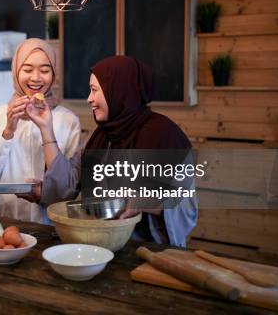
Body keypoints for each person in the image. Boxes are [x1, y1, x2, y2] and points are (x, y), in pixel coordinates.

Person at [23, 55, 198, 247]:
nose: (89, 99)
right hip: (99, 244)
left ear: (119, 90)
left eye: (95, 90)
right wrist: (45, 128)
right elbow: (69, 184)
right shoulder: (100, 136)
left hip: (147, 252)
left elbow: (186, 207)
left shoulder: (165, 136)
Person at [0, 38, 81, 223]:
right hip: (0, 220)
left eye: (45, 70)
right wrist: (8, 131)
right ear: (16, 72)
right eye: (28, 69)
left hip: (49, 224)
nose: (36, 77)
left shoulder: (67, 120)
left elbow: (70, 187)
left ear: (53, 74)